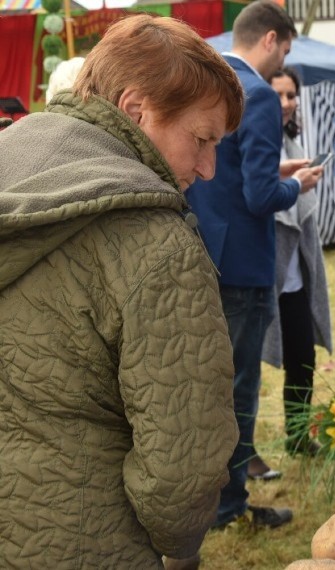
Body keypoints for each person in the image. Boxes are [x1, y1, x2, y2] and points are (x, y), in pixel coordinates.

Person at [0, 14, 240, 567]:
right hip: (86, 541)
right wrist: (178, 549)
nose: (207, 168)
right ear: (136, 111)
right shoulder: (158, 246)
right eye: (201, 140)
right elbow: (182, 470)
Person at [186, 0, 323, 528]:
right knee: (240, 390)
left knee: (206, 384)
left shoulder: (206, 82)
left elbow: (226, 171)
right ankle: (229, 506)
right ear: (269, 39)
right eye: (284, 50)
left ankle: (207, 496)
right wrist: (298, 183)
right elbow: (261, 194)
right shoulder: (260, 96)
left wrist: (274, 168)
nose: (280, 61)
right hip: (244, 263)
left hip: (204, 254)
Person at [252, 67, 332, 478]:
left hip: (295, 270)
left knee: (303, 357)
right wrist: (297, 185)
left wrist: (306, 183)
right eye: (279, 95)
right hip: (264, 268)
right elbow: (261, 198)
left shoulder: (293, 140)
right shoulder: (257, 138)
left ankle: (298, 434)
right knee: (246, 367)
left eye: (291, 95)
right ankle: (244, 455)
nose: (287, 102)